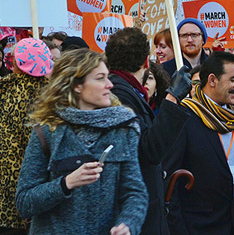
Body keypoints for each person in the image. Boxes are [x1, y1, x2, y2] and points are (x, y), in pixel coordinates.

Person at [15, 49, 148, 235]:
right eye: (100, 78)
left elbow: (135, 193)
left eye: (107, 77)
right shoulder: (47, 130)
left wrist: (128, 225)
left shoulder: (123, 127)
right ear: (77, 85)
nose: (109, 85)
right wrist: (65, 183)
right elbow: (24, 202)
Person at [105, 27, 192, 235]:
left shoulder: (126, 91)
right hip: (133, 213)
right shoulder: (120, 95)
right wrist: (172, 99)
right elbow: (149, 150)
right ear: (146, 61)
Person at [163, 52, 234, 235]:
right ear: (212, 80)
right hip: (198, 227)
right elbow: (170, 182)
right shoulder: (185, 118)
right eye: (233, 79)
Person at [0, 39, 53, 233]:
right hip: (35, 195)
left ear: (14, 63)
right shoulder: (52, 98)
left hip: (4, 195)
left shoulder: (4, 90)